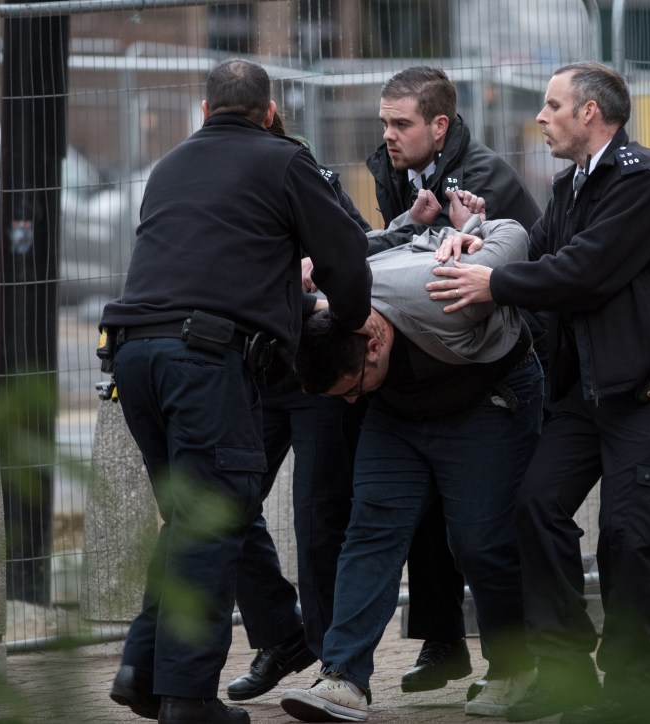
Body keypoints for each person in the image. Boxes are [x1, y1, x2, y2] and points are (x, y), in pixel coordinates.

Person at [426, 60, 650, 724]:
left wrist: (491, 285)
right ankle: (565, 675)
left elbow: (583, 272)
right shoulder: (573, 184)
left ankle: (626, 692)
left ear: (591, 113)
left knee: (628, 533)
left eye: (552, 105)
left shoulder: (644, 182)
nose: (540, 117)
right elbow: (539, 255)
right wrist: (481, 238)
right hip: (589, 392)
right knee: (536, 505)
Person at [100, 58, 373, 724]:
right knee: (212, 525)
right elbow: (345, 260)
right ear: (271, 112)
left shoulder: (168, 167)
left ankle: (143, 670)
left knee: (197, 514)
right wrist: (348, 320)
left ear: (203, 111)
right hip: (204, 362)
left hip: (132, 357)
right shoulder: (283, 161)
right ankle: (188, 697)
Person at [279, 214, 544, 722]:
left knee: (480, 541)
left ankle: (515, 668)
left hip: (487, 400)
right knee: (371, 529)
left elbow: (515, 233)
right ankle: (343, 678)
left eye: (354, 388)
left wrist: (479, 236)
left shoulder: (436, 293)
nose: (352, 403)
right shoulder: (328, 311)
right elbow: (380, 244)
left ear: (373, 342)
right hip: (400, 415)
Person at [366, 64, 543, 696]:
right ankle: (444, 645)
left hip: (498, 364)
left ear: (439, 127)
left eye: (400, 123)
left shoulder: (485, 178)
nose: (387, 135)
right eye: (383, 121)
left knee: (481, 531)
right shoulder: (395, 170)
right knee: (422, 517)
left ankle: (516, 660)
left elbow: (486, 270)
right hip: (428, 366)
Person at [226, 115, 372, 704]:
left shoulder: (309, 174)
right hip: (258, 372)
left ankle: (334, 668)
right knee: (225, 507)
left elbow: (360, 251)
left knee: (318, 527)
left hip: (313, 369)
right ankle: (282, 637)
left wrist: (317, 288)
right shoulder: (222, 185)